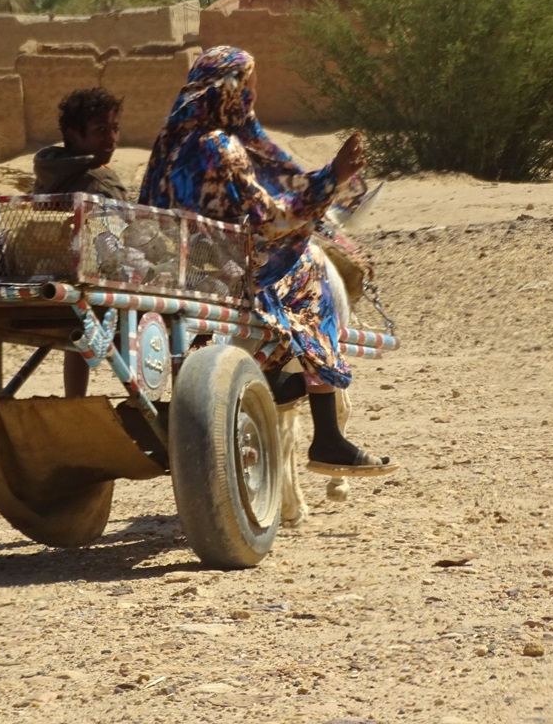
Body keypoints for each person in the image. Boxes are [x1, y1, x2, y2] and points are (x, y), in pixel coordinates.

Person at [138, 46, 395, 477]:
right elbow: (270, 219)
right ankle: (326, 432)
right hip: (225, 274)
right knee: (309, 269)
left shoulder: (168, 141)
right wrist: (333, 177)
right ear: (230, 90)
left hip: (171, 272)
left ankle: (280, 379)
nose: (251, 98)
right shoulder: (220, 146)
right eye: (249, 88)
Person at [33, 87, 127, 397]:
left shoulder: (48, 172)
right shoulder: (99, 179)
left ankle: (75, 398)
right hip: (91, 283)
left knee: (78, 322)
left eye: (114, 128)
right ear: (74, 135)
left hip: (42, 276)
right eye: (101, 130)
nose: (112, 138)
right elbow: (121, 233)